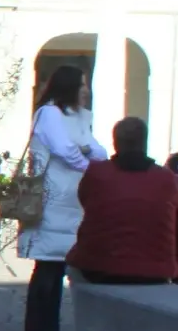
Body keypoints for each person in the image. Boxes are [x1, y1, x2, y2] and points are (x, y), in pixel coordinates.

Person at [19, 64, 106, 331]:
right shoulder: (50, 114)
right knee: (48, 265)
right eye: (81, 84)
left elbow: (95, 149)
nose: (86, 90)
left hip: (72, 200)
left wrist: (93, 160)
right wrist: (89, 166)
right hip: (52, 199)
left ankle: (49, 330)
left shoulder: (78, 117)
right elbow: (66, 150)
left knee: (57, 265)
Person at [67, 118, 178, 285]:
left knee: (72, 266)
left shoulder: (97, 173)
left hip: (99, 267)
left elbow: (85, 200)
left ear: (115, 143)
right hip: (155, 271)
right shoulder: (166, 178)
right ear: (144, 142)